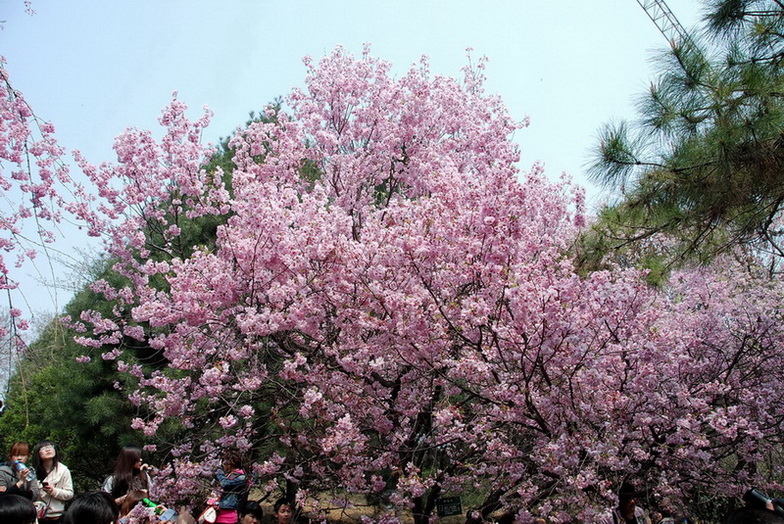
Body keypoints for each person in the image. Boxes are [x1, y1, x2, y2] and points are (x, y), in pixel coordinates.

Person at [32, 440, 74, 523]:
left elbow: (69, 494)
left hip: (57, 517)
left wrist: (53, 491)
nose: (48, 449)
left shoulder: (63, 470)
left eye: (50, 447)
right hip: (37, 516)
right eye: (43, 448)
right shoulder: (33, 471)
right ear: (38, 453)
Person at [102, 446, 153, 512]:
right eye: (137, 458)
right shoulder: (113, 480)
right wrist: (126, 498)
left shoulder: (144, 476)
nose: (141, 460)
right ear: (129, 460)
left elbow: (154, 496)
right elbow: (103, 504)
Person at [214, 450, 248, 524]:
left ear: (231, 463)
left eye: (225, 462)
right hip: (220, 513)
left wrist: (219, 471)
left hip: (230, 516)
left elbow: (224, 483)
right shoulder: (229, 475)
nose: (224, 464)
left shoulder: (241, 477)